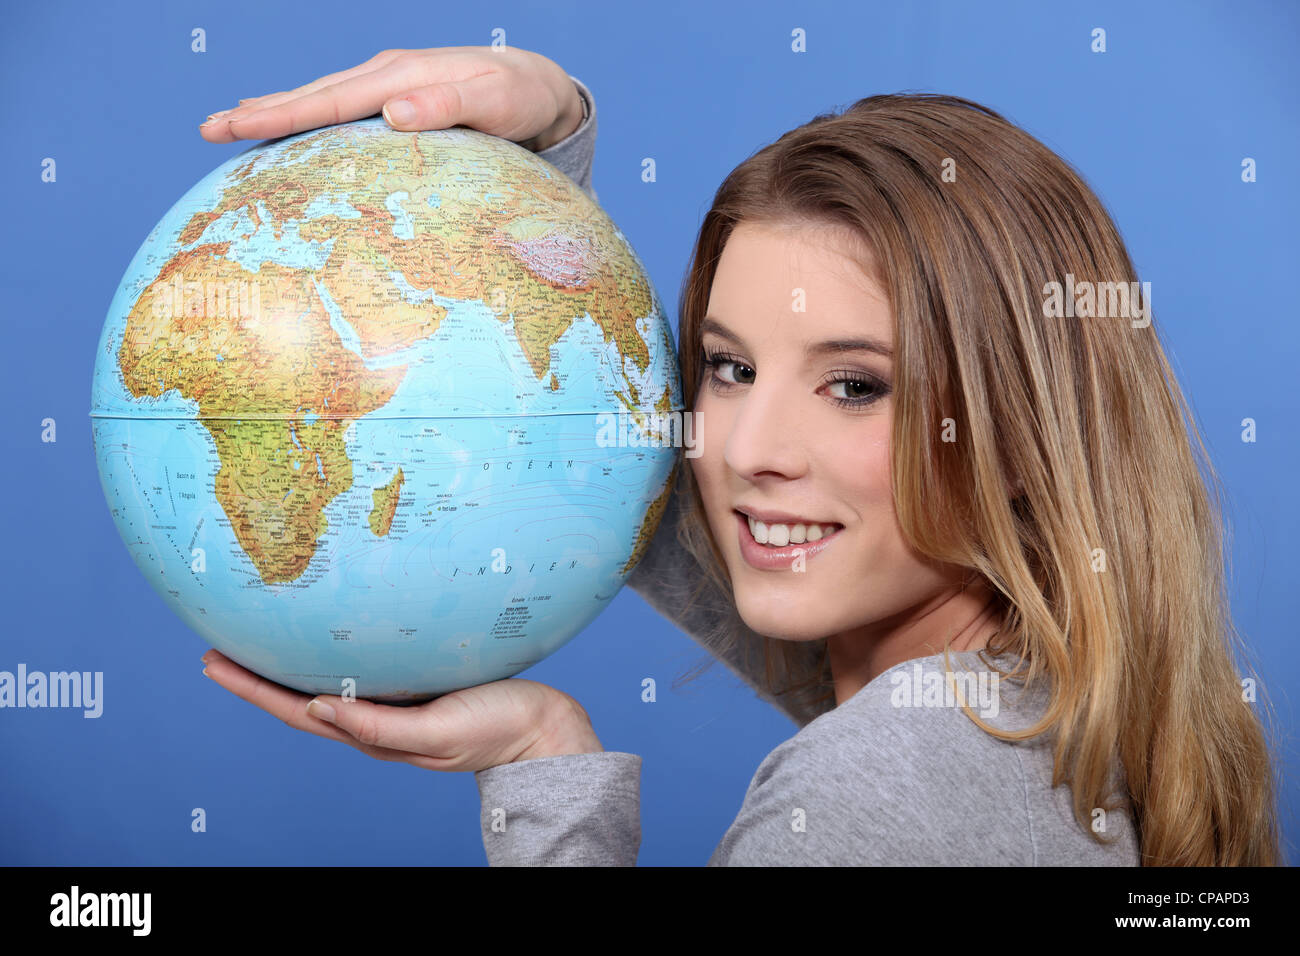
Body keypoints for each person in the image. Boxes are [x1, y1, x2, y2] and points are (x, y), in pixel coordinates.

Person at [197, 46, 1282, 866]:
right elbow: (577, 423)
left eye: (854, 384)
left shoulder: (876, 789)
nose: (744, 451)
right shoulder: (1044, 714)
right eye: (726, 368)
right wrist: (547, 142)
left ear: (1016, 427)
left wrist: (550, 780)